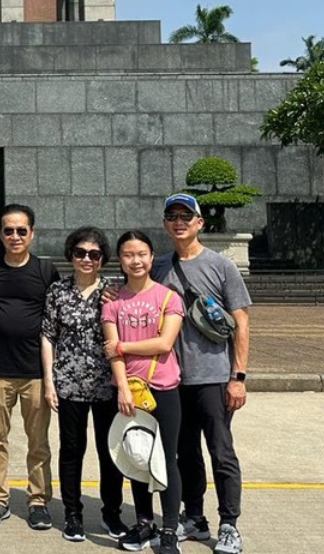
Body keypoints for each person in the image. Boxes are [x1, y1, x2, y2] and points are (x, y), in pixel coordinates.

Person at [151, 194, 252, 554]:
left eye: (186, 216)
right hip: (172, 378)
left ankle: (229, 524)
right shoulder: (158, 267)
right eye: (172, 215)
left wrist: (237, 376)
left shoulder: (221, 266)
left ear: (199, 223)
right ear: (165, 223)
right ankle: (194, 517)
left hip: (213, 375)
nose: (179, 221)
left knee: (221, 451)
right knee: (184, 452)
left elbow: (241, 321)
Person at [0, 203, 58, 530]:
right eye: (8, 230)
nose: (15, 236)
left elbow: (57, 320)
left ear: (32, 234)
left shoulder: (47, 272)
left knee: (39, 443)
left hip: (35, 374)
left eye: (21, 230)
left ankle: (38, 501)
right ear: (0, 234)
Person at [42, 226, 129, 543]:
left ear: (103, 258)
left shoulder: (113, 292)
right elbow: (48, 335)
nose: (86, 259)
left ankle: (112, 514)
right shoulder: (58, 291)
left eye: (94, 254)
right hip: (69, 384)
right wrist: (50, 381)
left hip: (107, 386)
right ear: (71, 255)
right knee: (71, 451)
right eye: (80, 253)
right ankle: (73, 515)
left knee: (110, 453)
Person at [104, 230, 186, 553]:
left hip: (164, 388)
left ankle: (169, 528)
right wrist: (122, 387)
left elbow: (164, 343)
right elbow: (112, 353)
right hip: (129, 392)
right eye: (128, 255)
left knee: (166, 458)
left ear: (152, 258)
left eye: (141, 254)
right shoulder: (113, 303)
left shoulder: (168, 298)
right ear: (120, 260)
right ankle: (143, 524)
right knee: (137, 456)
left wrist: (124, 345)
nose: (135, 261)